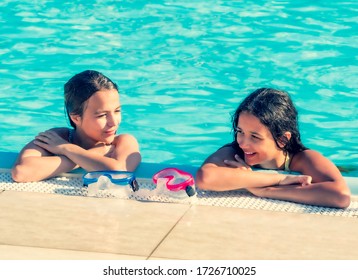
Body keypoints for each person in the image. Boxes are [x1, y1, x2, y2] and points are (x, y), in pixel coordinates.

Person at [196, 88, 350, 208]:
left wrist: (265, 190)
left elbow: (341, 195)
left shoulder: (302, 158)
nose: (243, 143)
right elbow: (205, 178)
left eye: (255, 137)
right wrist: (280, 178)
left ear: (282, 139)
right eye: (240, 132)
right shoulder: (235, 152)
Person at [12, 70, 141, 182]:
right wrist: (92, 154)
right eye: (102, 115)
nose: (113, 122)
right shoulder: (55, 137)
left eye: (117, 111)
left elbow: (120, 173)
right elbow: (21, 172)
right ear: (76, 117)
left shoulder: (123, 142)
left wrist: (67, 149)